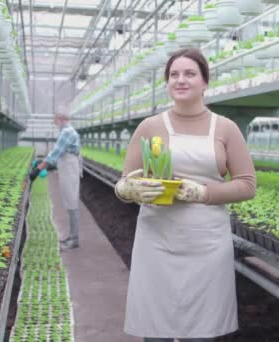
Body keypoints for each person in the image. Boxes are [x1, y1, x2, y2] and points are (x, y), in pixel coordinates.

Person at [114, 48, 256, 341]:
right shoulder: (150, 126)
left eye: (189, 73)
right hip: (157, 241)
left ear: (205, 82)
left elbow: (246, 184)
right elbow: (125, 181)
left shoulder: (225, 128)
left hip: (207, 244)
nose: (180, 80)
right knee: (155, 330)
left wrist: (202, 192)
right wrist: (127, 189)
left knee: (201, 332)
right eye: (173, 75)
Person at [38, 110, 82, 250]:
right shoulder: (68, 131)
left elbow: (57, 151)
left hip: (70, 169)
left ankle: (74, 239)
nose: (55, 124)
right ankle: (71, 235)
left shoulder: (67, 132)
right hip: (68, 168)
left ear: (61, 118)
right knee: (69, 202)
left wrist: (43, 164)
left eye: (55, 121)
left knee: (72, 203)